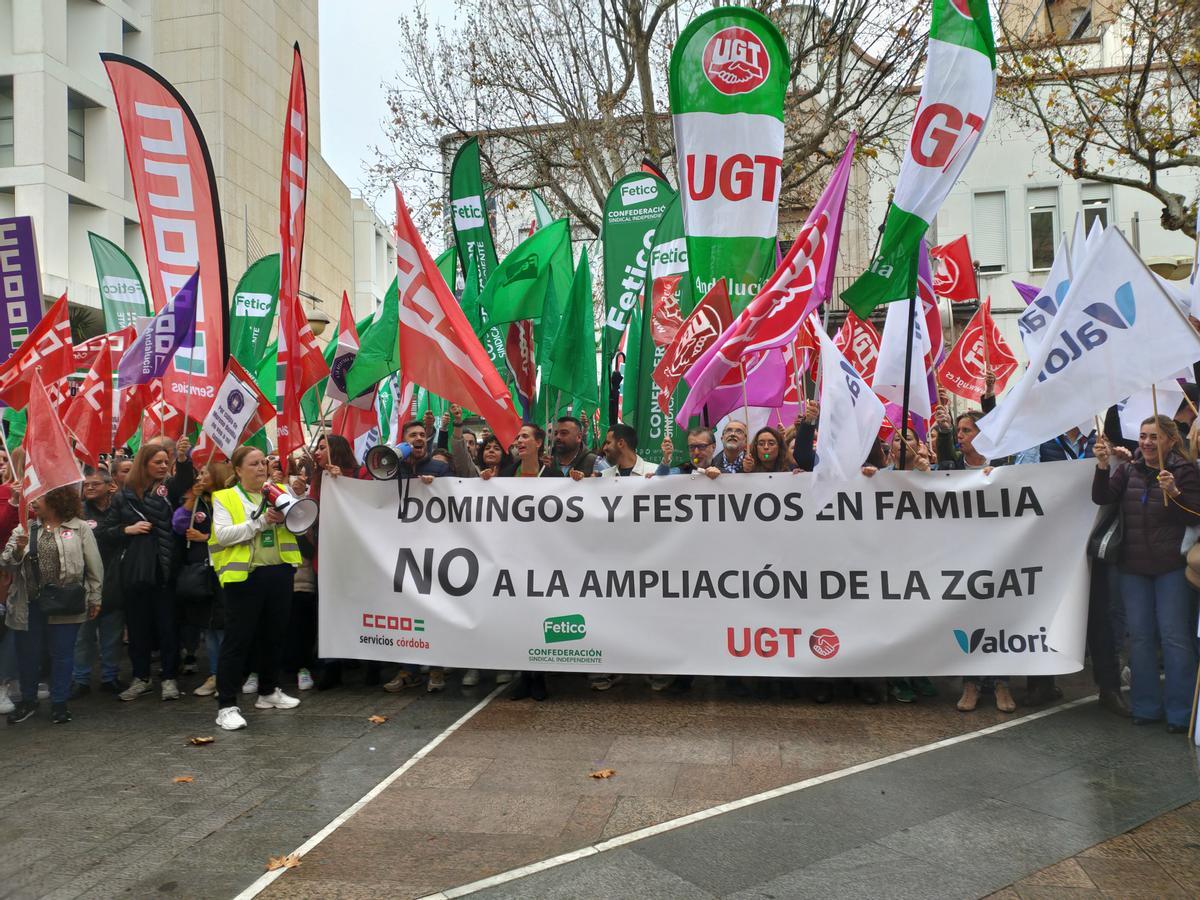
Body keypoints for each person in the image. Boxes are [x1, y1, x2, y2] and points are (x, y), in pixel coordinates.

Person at [1092, 416, 1200, 734]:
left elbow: (1196, 514)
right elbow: (1102, 498)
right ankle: (1146, 706)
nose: (1147, 443)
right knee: (1139, 639)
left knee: (1174, 639)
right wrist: (1102, 467)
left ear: (1170, 439)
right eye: (1142, 436)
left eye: (1154, 437)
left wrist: (1176, 493)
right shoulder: (1128, 469)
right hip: (1133, 569)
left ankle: (1181, 713)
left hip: (1171, 569)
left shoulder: (1185, 470)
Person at [209, 446, 303, 731]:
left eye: (263, 462)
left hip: (279, 572)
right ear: (237, 470)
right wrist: (261, 522)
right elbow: (224, 536)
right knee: (238, 642)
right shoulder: (225, 497)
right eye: (253, 464)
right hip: (245, 577)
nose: (261, 467)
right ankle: (226, 705)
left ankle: (268, 691)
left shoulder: (279, 491)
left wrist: (295, 501)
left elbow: (301, 525)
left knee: (274, 635)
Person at [3, 486, 104, 725]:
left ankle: (60, 703)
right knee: (28, 655)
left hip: (66, 603)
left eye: (39, 497)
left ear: (56, 499)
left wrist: (95, 597)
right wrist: (17, 549)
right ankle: (28, 701)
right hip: (29, 604)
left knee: (62, 654)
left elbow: (94, 567)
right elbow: (5, 562)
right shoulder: (25, 528)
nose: (33, 502)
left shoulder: (79, 528)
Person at [483, 424, 552, 700]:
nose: (519, 440)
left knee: (541, 616)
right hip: (513, 558)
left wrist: (578, 482)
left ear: (538, 442)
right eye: (518, 437)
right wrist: (487, 482)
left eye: (525, 436)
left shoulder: (554, 475)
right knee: (520, 619)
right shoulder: (507, 474)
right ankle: (524, 677)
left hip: (544, 558)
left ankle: (540, 678)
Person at [113, 442, 182, 702]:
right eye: (158, 462)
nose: (164, 466)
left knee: (167, 628)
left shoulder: (170, 490)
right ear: (144, 464)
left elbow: (184, 479)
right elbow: (104, 531)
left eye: (167, 462)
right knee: (138, 629)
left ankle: (169, 678)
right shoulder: (123, 495)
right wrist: (125, 530)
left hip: (164, 570)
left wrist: (183, 459)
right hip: (135, 572)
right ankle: (141, 678)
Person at [173, 460, 232, 698]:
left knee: (223, 626)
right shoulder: (198, 502)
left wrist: (205, 537)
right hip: (202, 573)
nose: (200, 477)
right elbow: (178, 525)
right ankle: (216, 674)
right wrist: (190, 500)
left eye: (205, 473)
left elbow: (233, 532)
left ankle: (228, 674)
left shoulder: (227, 501)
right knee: (209, 627)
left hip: (225, 571)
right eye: (199, 474)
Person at [70, 466, 125, 697]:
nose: (90, 488)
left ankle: (109, 677)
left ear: (109, 485)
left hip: (115, 579)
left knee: (112, 634)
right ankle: (80, 679)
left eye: (95, 484)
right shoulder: (78, 512)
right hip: (85, 582)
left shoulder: (120, 508)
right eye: (86, 484)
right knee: (83, 636)